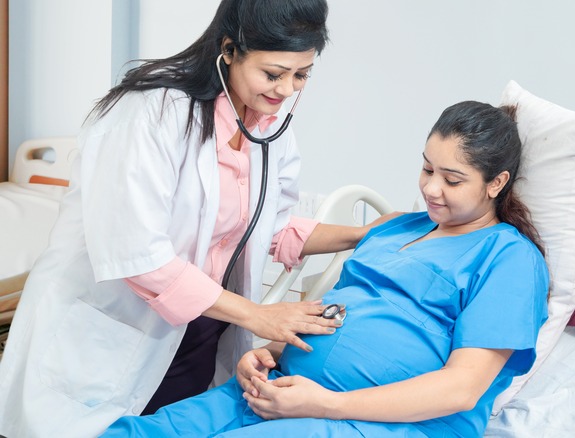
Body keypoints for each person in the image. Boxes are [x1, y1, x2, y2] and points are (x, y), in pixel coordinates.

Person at [0, 1, 381, 437]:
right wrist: (257, 316)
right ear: (229, 50)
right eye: (273, 73)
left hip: (199, 330)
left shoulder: (269, 130)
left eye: (302, 75)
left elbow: (267, 228)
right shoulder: (148, 114)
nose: (287, 89)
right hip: (112, 332)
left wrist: (362, 234)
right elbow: (138, 255)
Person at [102, 100, 550, 437]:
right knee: (144, 431)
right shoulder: (396, 230)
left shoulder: (508, 258)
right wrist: (267, 356)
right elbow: (343, 313)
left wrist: (328, 403)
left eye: (452, 180)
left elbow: (461, 389)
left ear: (496, 182)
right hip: (284, 390)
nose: (431, 189)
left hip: (383, 423)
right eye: (427, 168)